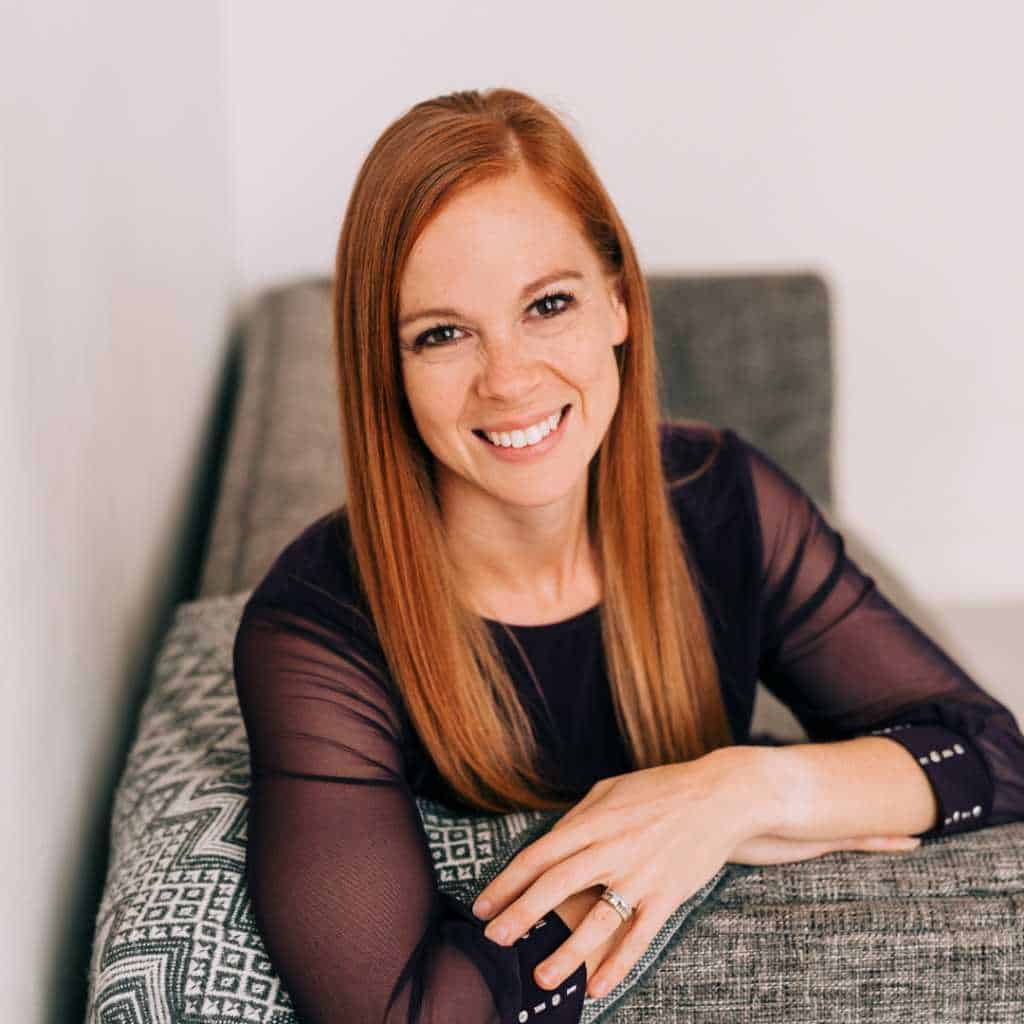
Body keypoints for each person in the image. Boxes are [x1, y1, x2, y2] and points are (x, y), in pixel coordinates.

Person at [231, 87, 1024, 1023]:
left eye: (548, 305)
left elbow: (991, 753)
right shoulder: (315, 628)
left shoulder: (725, 497)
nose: (511, 379)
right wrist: (643, 861)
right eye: (441, 334)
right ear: (386, 368)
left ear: (617, 304)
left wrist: (736, 792)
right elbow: (401, 1013)